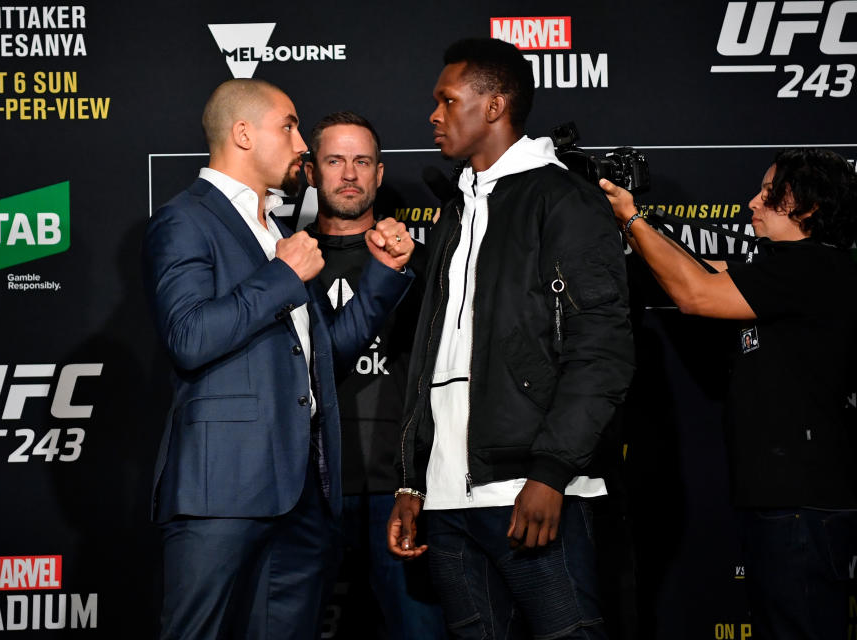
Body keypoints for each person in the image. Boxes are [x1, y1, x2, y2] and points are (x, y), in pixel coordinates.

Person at [142, 79, 416, 640]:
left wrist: (384, 277)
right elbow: (189, 337)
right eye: (288, 126)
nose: (299, 145)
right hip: (222, 490)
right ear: (243, 133)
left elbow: (325, 358)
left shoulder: (277, 231)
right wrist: (282, 275)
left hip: (303, 492)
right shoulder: (186, 219)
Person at [386, 38, 635, 640]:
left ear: (494, 106)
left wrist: (550, 473)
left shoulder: (562, 197)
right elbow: (437, 351)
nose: (433, 115)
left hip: (530, 489)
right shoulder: (456, 209)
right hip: (447, 499)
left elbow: (601, 348)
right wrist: (415, 480)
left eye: (448, 100)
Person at [600, 148, 857, 640]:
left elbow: (695, 292)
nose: (751, 203)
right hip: (782, 496)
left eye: (768, 193)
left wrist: (631, 217)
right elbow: (703, 269)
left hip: (802, 501)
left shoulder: (815, 269)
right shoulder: (788, 268)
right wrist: (627, 227)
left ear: (807, 207)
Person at [301, 111, 447, 639]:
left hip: (401, 488)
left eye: (362, 161)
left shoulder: (420, 263)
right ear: (312, 171)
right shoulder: (287, 263)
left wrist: (420, 482)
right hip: (309, 490)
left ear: (380, 174)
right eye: (334, 161)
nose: (349, 174)